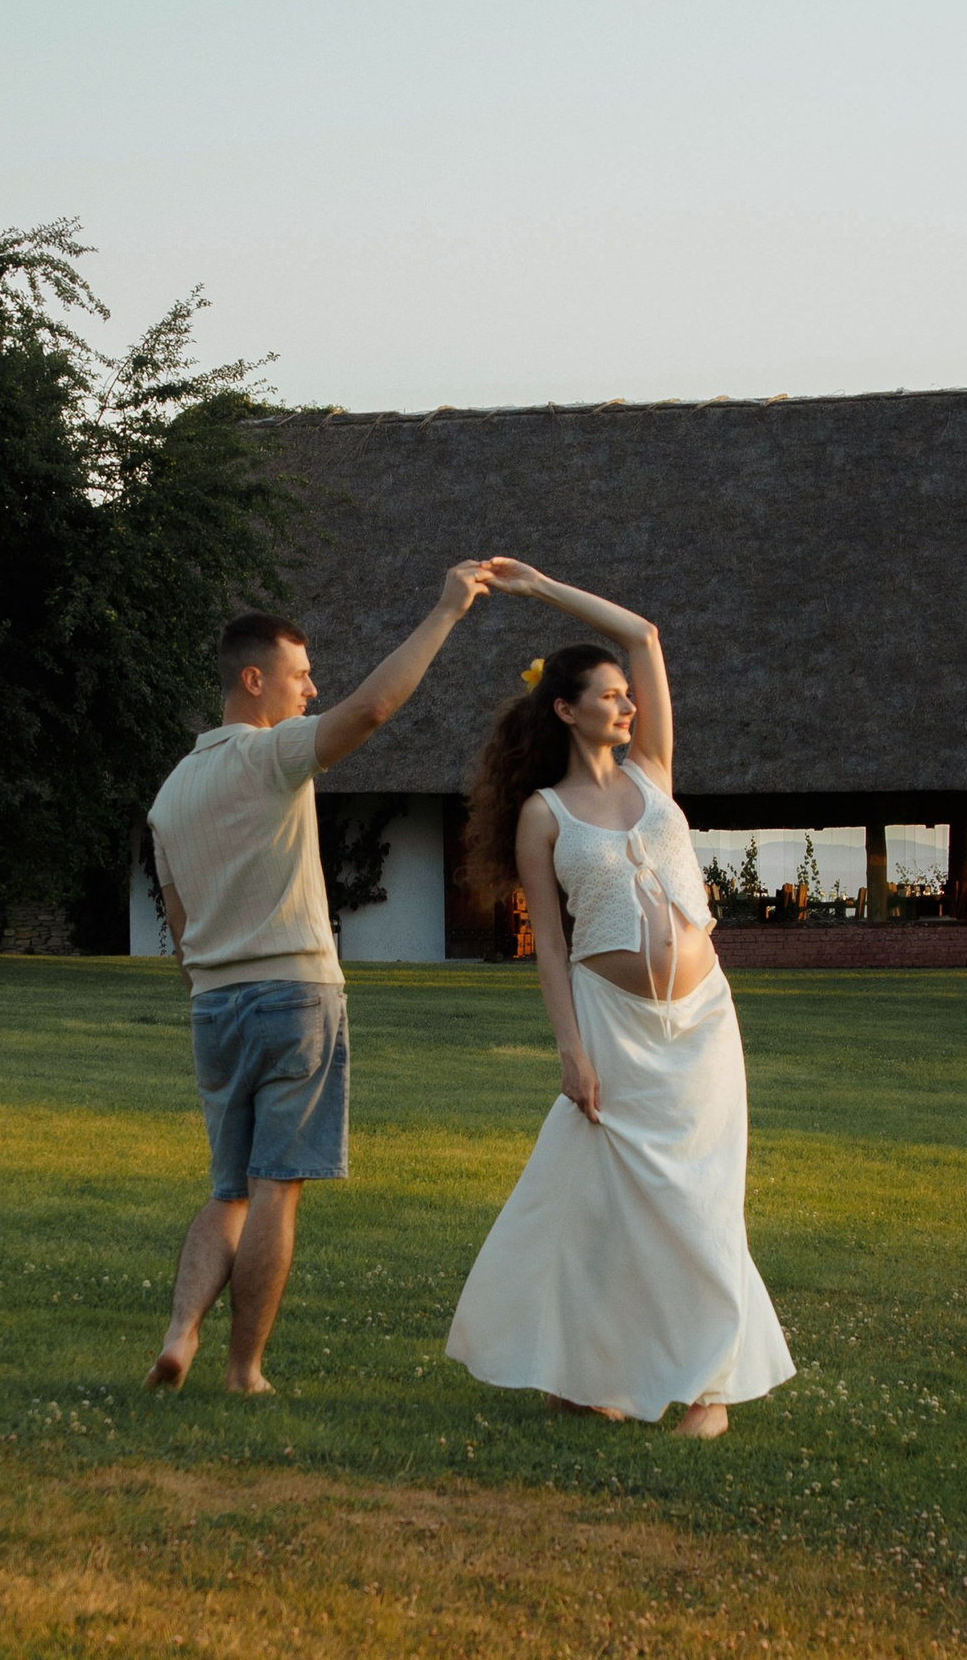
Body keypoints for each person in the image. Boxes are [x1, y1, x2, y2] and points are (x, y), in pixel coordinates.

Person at [444, 560, 792, 1437]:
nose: (626, 703)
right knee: (601, 1205)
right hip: (614, 1022)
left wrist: (538, 588)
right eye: (607, 696)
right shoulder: (544, 815)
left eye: (627, 697)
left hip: (703, 1019)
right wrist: (571, 1051)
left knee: (704, 1198)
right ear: (566, 709)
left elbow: (644, 635)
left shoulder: (653, 771)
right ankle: (580, 1370)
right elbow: (550, 945)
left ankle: (708, 1394)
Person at [147, 568, 492, 1394]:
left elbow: (179, 918)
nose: (313, 689)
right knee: (275, 1190)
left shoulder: (169, 794)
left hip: (213, 1005)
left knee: (226, 1189)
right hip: (294, 996)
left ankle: (179, 1330)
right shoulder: (272, 756)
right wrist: (446, 608)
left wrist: (210, 976)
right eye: (301, 676)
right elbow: (371, 709)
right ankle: (244, 1369)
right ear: (254, 679)